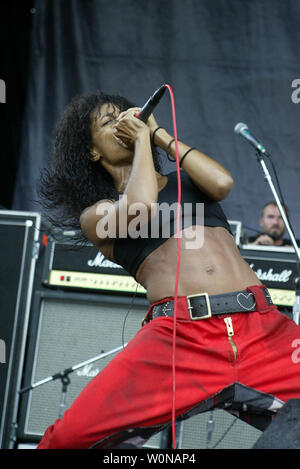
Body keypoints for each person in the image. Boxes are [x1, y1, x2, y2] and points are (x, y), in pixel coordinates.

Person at [37, 91, 300, 449]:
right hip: (178, 339)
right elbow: (142, 206)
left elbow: (223, 183)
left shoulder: (186, 181)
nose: (123, 123)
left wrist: (158, 135)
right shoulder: (97, 214)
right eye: (108, 121)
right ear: (92, 152)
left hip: (261, 328)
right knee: (68, 440)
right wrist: (143, 140)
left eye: (125, 115)